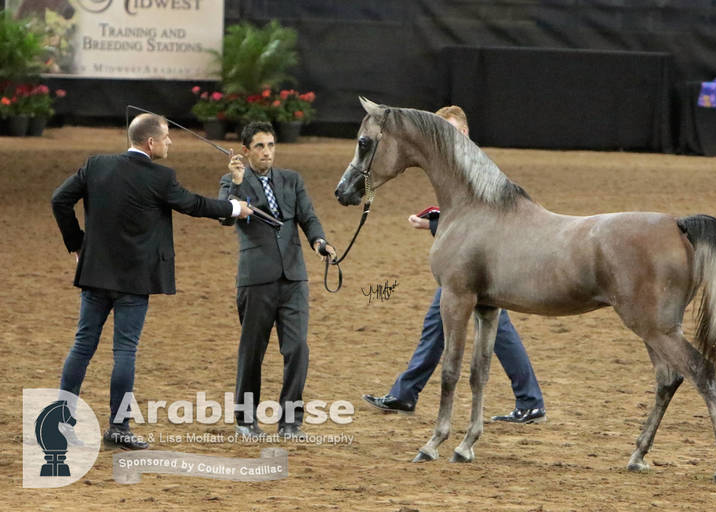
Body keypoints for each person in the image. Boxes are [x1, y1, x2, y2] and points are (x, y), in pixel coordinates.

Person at [52, 113, 254, 450]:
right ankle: (119, 427)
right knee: (125, 352)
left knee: (82, 346)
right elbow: (195, 205)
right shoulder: (161, 177)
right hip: (134, 280)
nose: (170, 142)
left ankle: (58, 422)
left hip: (96, 274)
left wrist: (77, 245)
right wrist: (234, 208)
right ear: (150, 142)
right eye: (166, 137)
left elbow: (59, 200)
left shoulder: (96, 165)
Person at [362, 106, 546, 424]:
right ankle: (405, 394)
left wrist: (430, 226)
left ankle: (530, 400)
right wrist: (435, 220)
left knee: (498, 328)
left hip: (482, 267)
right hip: (465, 268)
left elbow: (475, 227)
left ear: (462, 134)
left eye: (446, 131)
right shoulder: (459, 171)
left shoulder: (477, 170)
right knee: (435, 326)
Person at [219, 121, 336, 439]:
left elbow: (308, 216)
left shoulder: (291, 180)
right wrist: (238, 183)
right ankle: (245, 420)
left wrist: (319, 241)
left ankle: (290, 420)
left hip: (294, 278)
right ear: (245, 151)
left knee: (297, 348)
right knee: (252, 351)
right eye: (259, 146)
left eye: (270, 145)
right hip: (256, 280)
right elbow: (224, 214)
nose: (266, 152)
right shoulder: (231, 180)